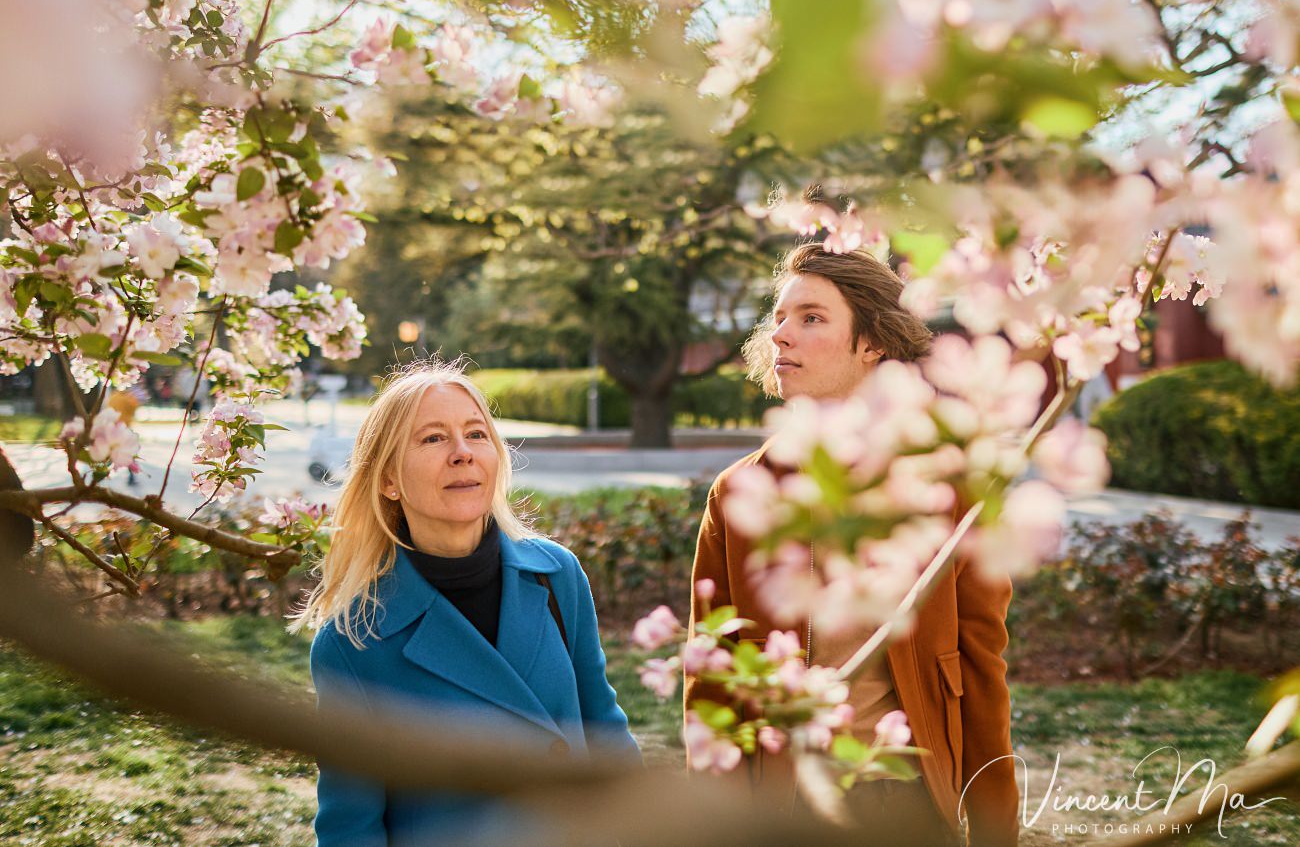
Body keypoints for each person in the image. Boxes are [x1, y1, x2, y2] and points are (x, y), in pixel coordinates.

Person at [685, 243, 1018, 847]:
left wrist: (996, 828)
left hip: (909, 795)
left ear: (876, 342)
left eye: (812, 318)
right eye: (779, 318)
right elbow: (711, 676)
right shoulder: (739, 494)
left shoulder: (950, 485)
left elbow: (979, 663)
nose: (781, 335)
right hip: (782, 803)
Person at [290, 360, 639, 847]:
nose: (462, 454)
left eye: (476, 434)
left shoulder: (557, 576)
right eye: (433, 439)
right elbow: (351, 828)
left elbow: (606, 734)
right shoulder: (355, 641)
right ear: (388, 479)